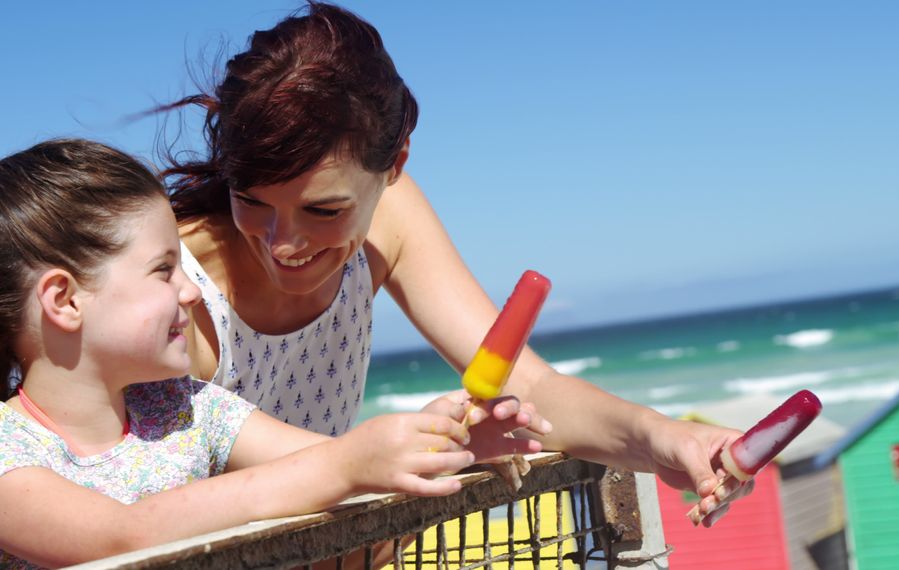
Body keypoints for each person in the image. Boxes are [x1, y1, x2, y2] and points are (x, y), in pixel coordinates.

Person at [161, 1, 750, 530]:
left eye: (322, 209)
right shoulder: (169, 291)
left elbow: (533, 387)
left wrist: (665, 438)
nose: (283, 242)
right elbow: (142, 507)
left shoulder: (392, 218)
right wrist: (394, 454)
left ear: (394, 164)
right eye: (253, 200)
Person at [0, 138, 533, 568]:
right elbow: (122, 536)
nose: (191, 290)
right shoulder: (8, 451)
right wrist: (352, 462)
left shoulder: (187, 408)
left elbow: (319, 463)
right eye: (164, 270)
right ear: (64, 300)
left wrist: (446, 443)